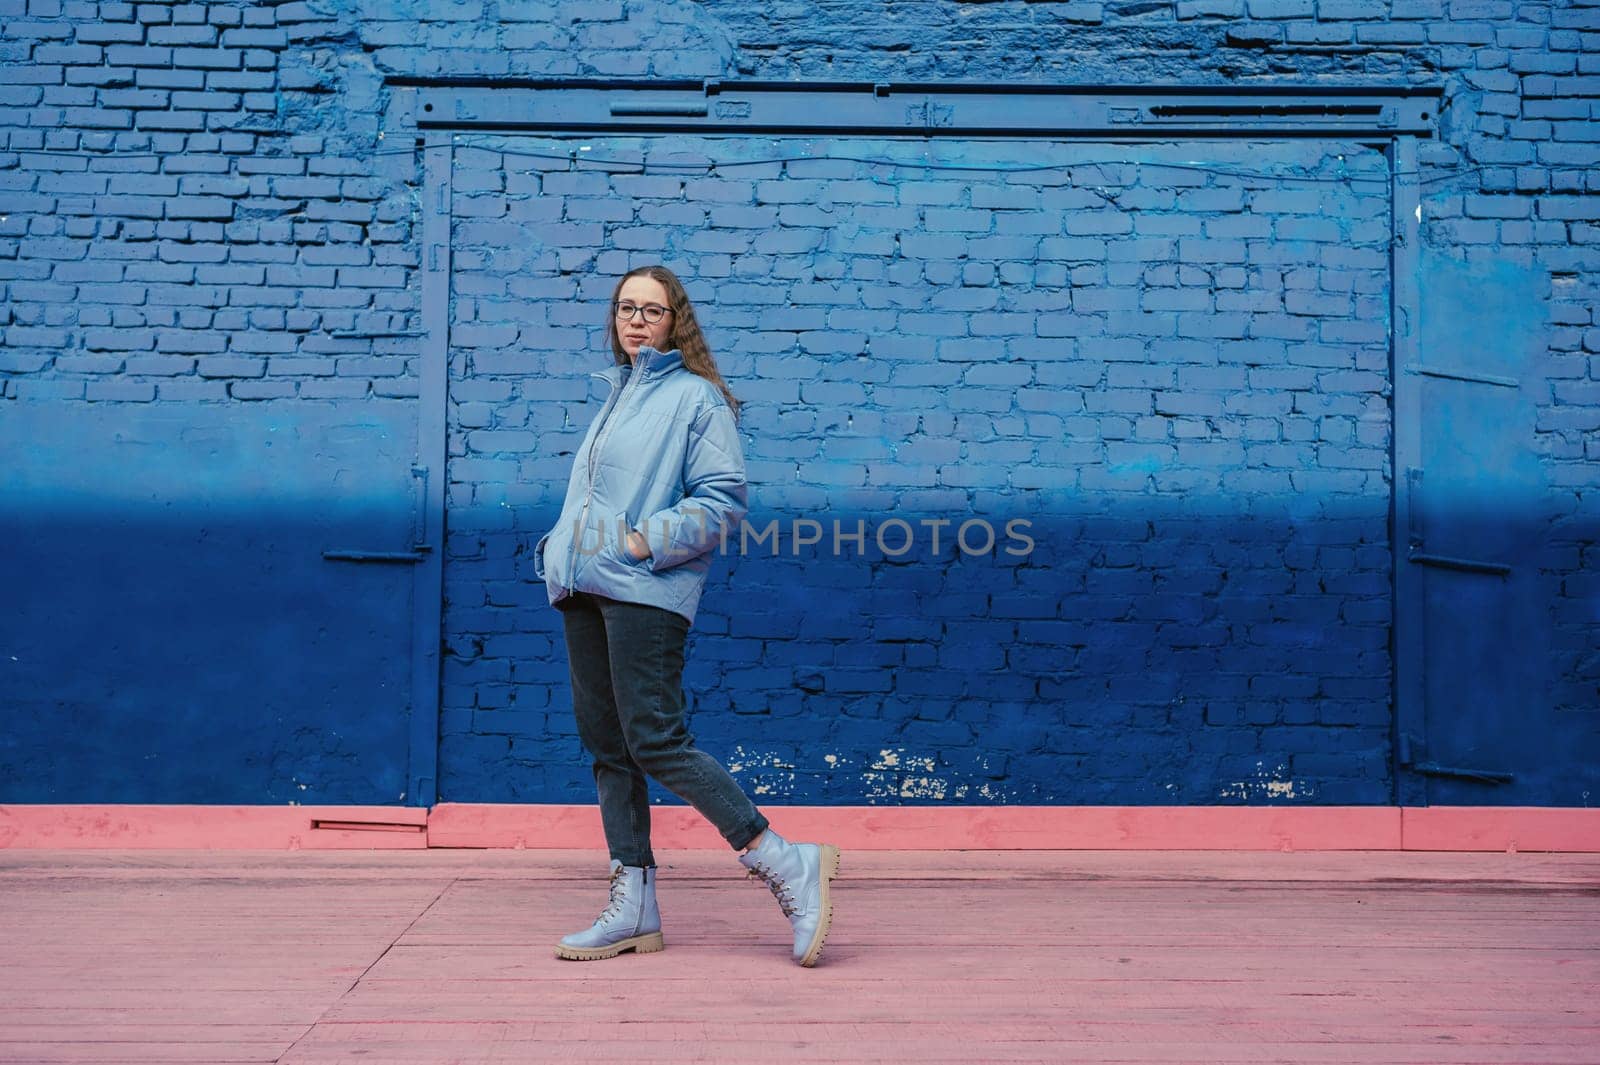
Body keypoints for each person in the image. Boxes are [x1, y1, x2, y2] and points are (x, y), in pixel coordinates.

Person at [532, 264, 841, 968]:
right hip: (583, 586)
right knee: (608, 746)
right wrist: (561, 552)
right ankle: (634, 901)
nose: (637, 319)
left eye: (653, 309)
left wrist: (645, 541)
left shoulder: (696, 398)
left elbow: (722, 500)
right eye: (626, 307)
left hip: (643, 587)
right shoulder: (614, 397)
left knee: (655, 738)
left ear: (677, 321)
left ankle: (784, 859)